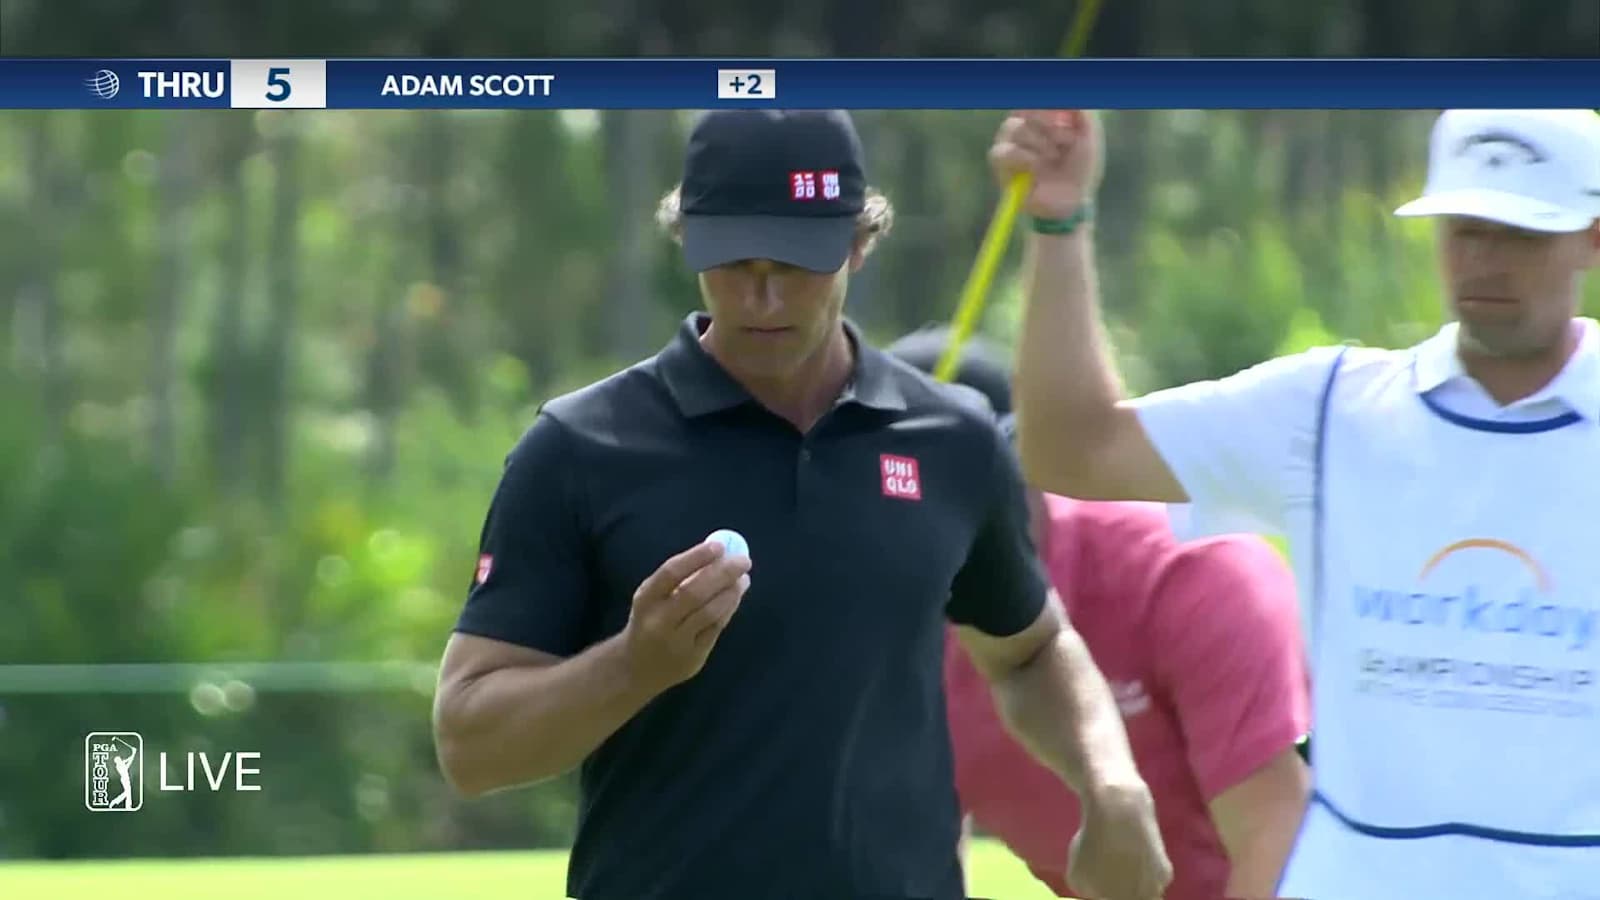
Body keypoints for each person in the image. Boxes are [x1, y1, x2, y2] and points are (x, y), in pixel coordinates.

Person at [431, 109, 1171, 900]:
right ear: (686, 239)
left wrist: (1109, 779)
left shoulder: (950, 438)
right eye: (734, 260)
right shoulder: (579, 449)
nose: (763, 295)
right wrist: (634, 665)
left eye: (797, 261)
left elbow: (1028, 650)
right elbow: (470, 744)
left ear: (859, 242)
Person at [997, 106, 1600, 899]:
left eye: (1521, 234)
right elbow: (1071, 446)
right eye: (1465, 229)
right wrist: (1058, 219)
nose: (1485, 261)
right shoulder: (1327, 407)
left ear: (1591, 237)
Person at [888, 328, 1312, 900]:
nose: (933, 528)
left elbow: (1279, 849)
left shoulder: (1195, 577)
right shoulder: (884, 619)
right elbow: (912, 852)